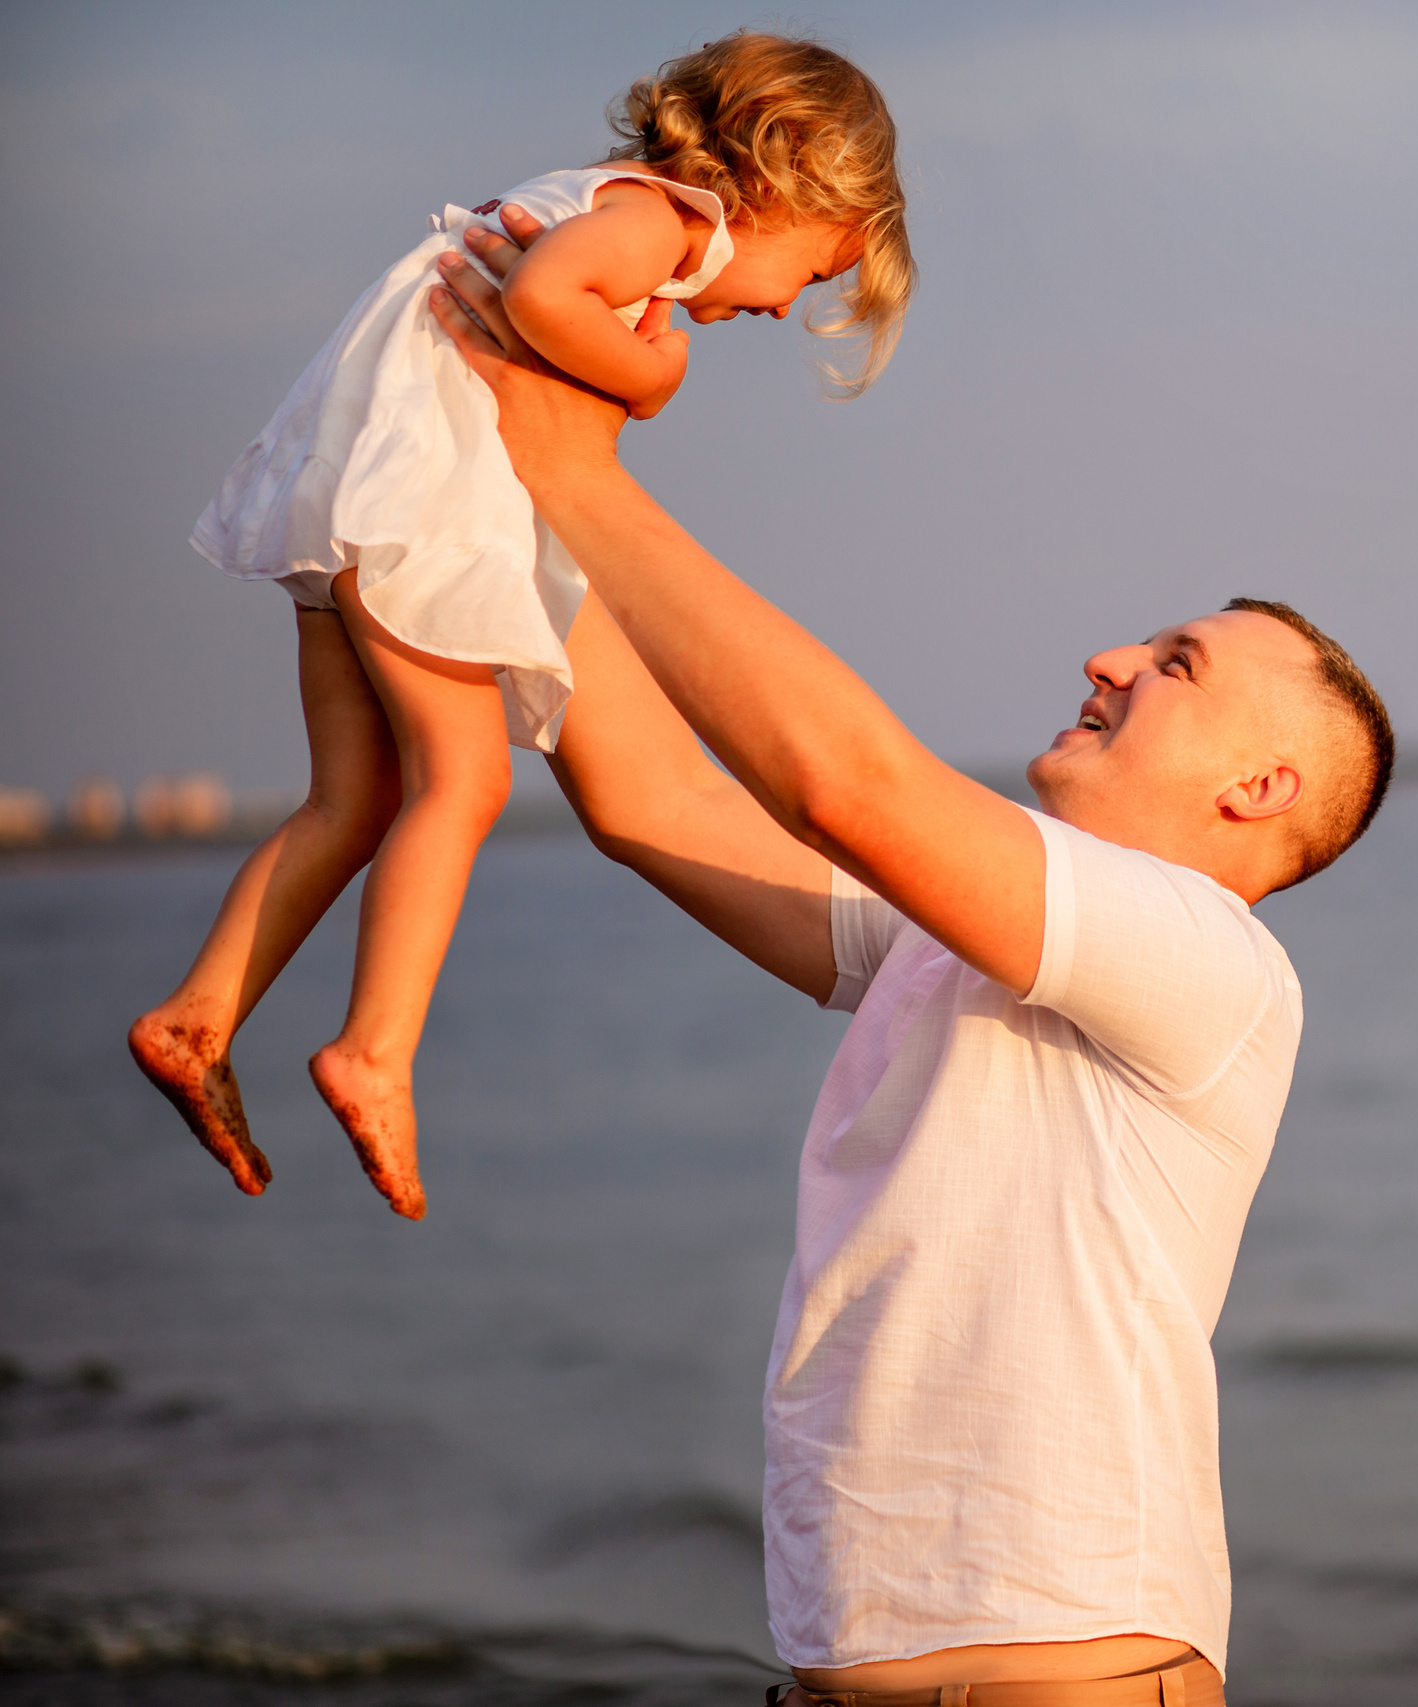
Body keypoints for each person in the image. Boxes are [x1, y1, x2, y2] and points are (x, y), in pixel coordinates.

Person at [425, 207, 1393, 1705]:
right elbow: (651, 800)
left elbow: (850, 786)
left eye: (1174, 664)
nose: (1110, 658)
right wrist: (504, 483)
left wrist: (573, 462)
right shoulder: (951, 944)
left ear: (1257, 791)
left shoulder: (1210, 958)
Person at [130, 33, 915, 1220]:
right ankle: (373, 1053)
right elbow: (545, 300)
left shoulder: (591, 200)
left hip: (345, 487)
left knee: (354, 800)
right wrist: (653, 381)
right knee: (464, 784)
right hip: (424, 499)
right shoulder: (666, 222)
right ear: (783, 188)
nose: (783, 306)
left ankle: (198, 1016)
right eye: (811, 277)